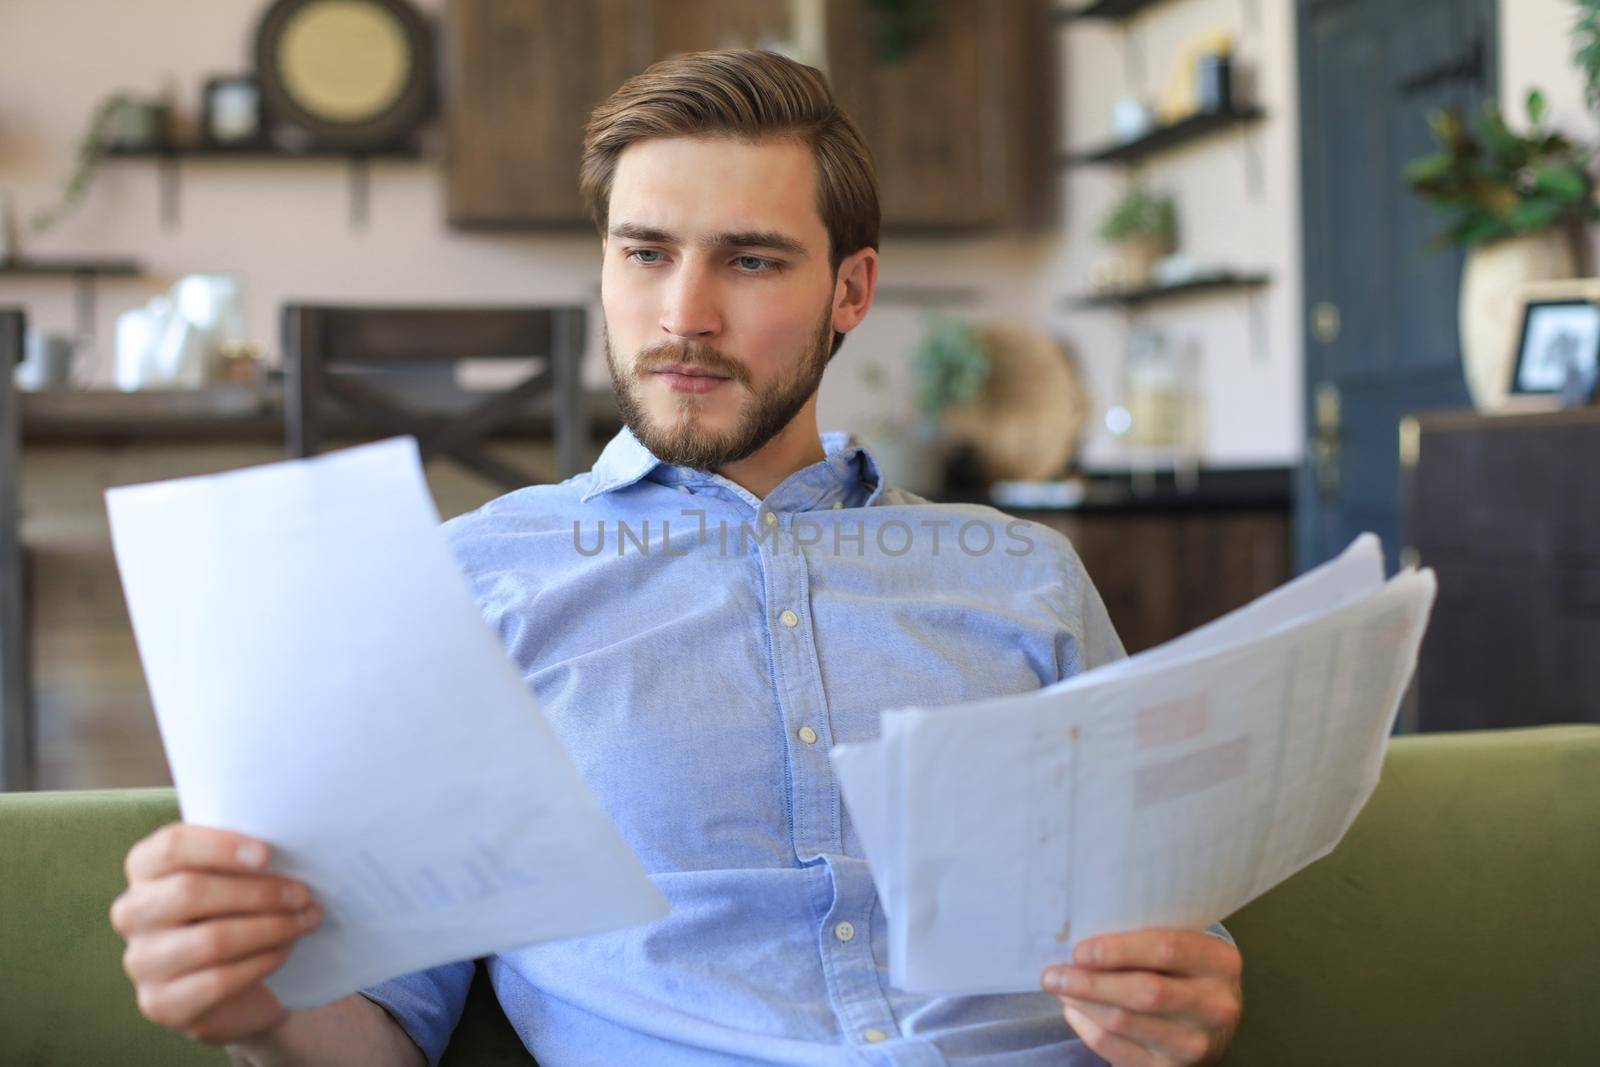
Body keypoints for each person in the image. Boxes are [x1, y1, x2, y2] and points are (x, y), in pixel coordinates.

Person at [110, 48, 1243, 1067]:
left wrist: (1185, 992)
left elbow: (1169, 938)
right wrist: (255, 1002)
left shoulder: (1023, 573)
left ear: (850, 289)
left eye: (750, 261)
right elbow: (383, 1023)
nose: (683, 314)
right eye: (645, 253)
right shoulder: (471, 583)